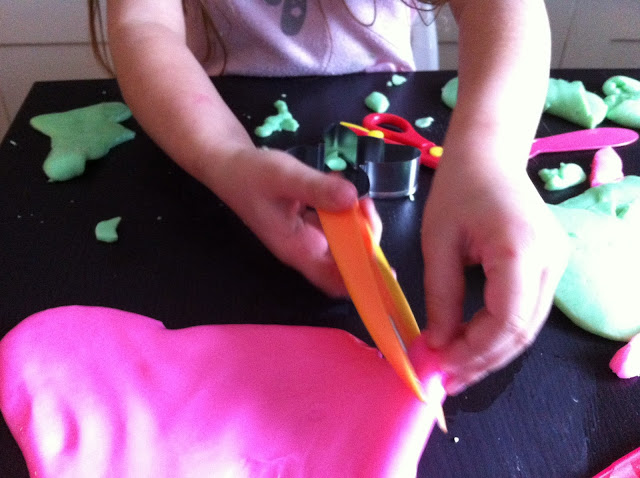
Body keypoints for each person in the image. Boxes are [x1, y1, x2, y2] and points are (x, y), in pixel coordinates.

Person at [89, 0, 569, 397]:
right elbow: (144, 25)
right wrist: (226, 158)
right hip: (202, 136)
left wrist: (490, 158)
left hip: (382, 132)